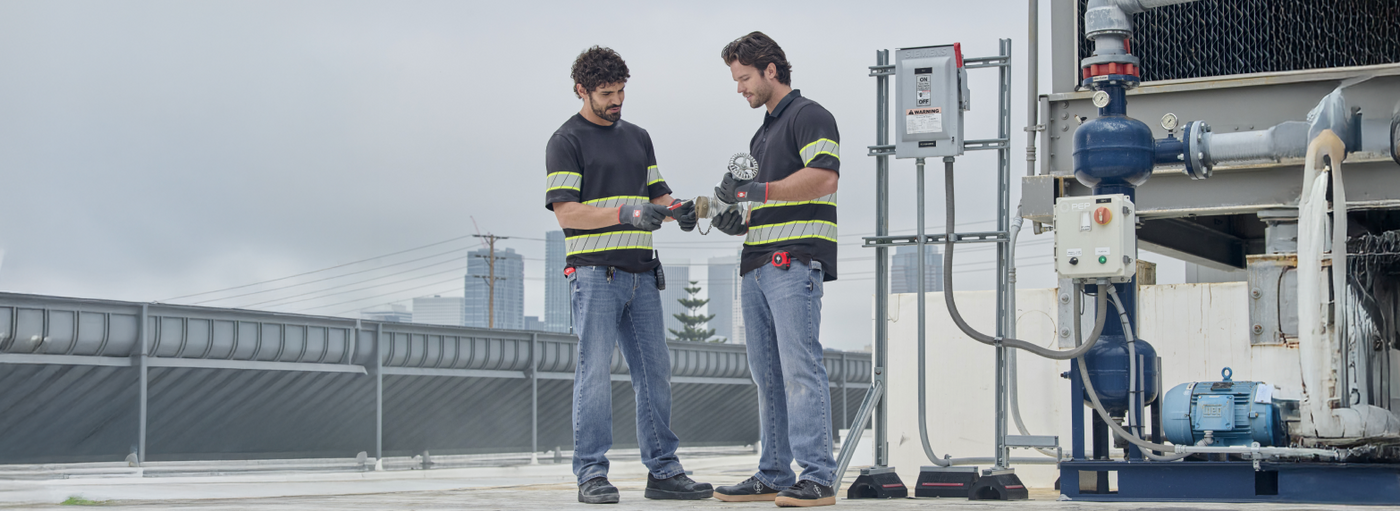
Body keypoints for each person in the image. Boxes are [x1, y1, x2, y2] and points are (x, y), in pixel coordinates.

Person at [544, 45, 710, 504]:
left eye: (621, 91)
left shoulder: (638, 137)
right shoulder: (566, 140)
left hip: (641, 275)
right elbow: (567, 212)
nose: (616, 100)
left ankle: (663, 471)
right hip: (595, 275)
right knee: (593, 375)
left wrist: (685, 210)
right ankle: (591, 474)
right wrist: (625, 211)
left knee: (655, 375)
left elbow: (659, 196)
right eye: (606, 93)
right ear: (582, 90)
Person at [710, 32, 841, 508]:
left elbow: (823, 177)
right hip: (758, 265)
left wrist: (756, 193)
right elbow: (762, 198)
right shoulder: (761, 132)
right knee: (768, 378)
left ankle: (819, 477)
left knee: (800, 371)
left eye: (744, 78)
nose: (739, 88)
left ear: (770, 70)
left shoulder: (810, 116)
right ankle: (773, 472)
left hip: (792, 263)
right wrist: (734, 217)